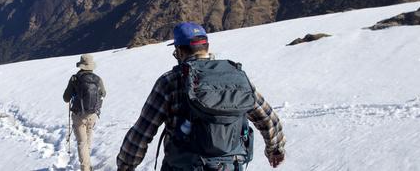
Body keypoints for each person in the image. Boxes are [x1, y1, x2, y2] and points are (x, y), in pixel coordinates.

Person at [116, 22, 286, 171]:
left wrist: (126, 165)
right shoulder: (235, 78)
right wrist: (275, 150)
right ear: (207, 47)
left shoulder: (170, 82)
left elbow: (143, 131)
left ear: (180, 51)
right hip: (230, 166)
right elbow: (268, 118)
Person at [63, 54, 106, 171]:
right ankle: (88, 164)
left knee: (82, 142)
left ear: (81, 66)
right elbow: (104, 94)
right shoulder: (98, 79)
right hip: (93, 114)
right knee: (88, 140)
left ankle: (85, 168)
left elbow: (66, 98)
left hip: (79, 115)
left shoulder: (74, 79)